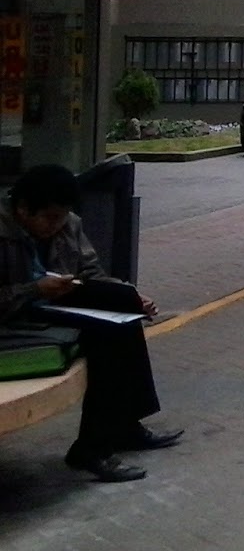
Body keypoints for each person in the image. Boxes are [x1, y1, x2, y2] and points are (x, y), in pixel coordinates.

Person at [1, 165, 182, 482]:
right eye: (49, 218)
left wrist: (131, 297)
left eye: (61, 218)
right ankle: (91, 447)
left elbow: (92, 274)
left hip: (56, 302)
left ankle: (126, 424)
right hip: (17, 313)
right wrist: (34, 289)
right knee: (104, 336)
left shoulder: (67, 224)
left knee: (125, 303)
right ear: (22, 208)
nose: (55, 227)